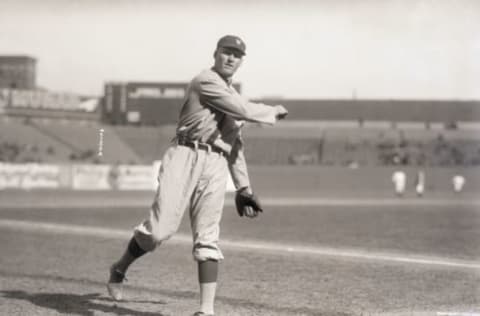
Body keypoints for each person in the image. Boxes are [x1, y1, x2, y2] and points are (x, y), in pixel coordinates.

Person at [106, 35, 288, 316]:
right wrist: (272, 111)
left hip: (215, 164)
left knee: (207, 237)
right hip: (185, 155)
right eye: (226, 52)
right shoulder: (205, 81)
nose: (230, 58)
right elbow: (242, 109)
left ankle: (206, 310)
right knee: (158, 232)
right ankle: (119, 268)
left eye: (236, 55)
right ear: (215, 54)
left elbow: (235, 146)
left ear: (241, 62)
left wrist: (243, 188)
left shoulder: (232, 97)